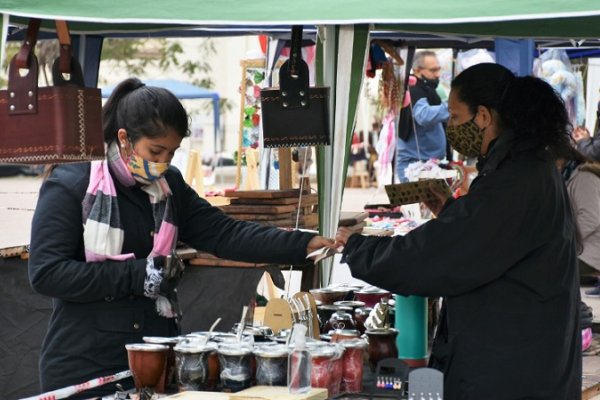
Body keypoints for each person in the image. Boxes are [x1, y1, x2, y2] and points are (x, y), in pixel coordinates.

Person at [28, 78, 334, 398]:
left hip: (156, 363)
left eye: (171, 153)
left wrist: (300, 244)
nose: (163, 163)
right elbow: (46, 273)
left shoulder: (169, 185)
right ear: (124, 138)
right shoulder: (72, 184)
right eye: (155, 151)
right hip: (85, 367)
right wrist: (139, 275)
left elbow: (223, 232)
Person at [336, 63, 581, 399]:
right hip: (527, 362)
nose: (450, 126)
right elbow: (485, 240)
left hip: (511, 373)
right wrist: (452, 211)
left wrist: (357, 247)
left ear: (483, 116)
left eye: (453, 116)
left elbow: (434, 258)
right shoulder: (526, 168)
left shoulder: (514, 182)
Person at [396, 50, 449, 182]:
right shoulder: (414, 90)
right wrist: (454, 107)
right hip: (415, 166)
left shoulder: (427, 90)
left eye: (438, 69)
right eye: (433, 70)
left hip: (428, 164)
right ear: (418, 70)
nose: (438, 74)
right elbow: (423, 116)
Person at [557, 149, 600, 294]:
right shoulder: (571, 176)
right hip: (585, 249)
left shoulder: (584, 178)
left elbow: (590, 218)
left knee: (549, 269)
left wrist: (565, 240)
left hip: (592, 253)